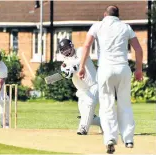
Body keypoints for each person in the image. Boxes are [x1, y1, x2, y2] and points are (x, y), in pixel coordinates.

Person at [78, 5, 143, 154]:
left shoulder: (97, 26)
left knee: (107, 105)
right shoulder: (126, 27)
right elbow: (138, 49)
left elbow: (87, 45)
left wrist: (82, 66)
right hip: (123, 68)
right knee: (125, 104)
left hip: (105, 70)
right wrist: (139, 70)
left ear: (104, 14)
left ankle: (110, 138)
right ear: (118, 15)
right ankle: (128, 139)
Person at [58, 38, 103, 135]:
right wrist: (66, 72)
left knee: (89, 105)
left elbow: (80, 61)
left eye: (67, 48)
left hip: (93, 86)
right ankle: (105, 123)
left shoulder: (81, 51)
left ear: (72, 46)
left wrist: (71, 68)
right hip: (82, 91)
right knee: (86, 115)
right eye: (63, 50)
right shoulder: (65, 62)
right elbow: (68, 72)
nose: (66, 51)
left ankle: (83, 129)